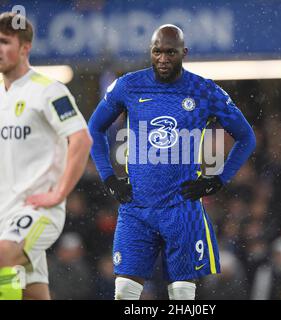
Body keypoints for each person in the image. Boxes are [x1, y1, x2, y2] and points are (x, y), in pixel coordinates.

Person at [89, 24, 256, 300]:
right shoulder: (128, 86)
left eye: (170, 52)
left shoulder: (204, 91)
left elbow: (246, 137)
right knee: (124, 293)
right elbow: (93, 129)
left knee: (181, 296)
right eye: (157, 52)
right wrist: (108, 178)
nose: (163, 59)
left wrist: (218, 180)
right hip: (137, 208)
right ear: (150, 51)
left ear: (184, 53)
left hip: (182, 209)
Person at [0, 12, 92, 300]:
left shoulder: (48, 90)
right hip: (5, 213)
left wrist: (59, 194)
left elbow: (81, 139)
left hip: (38, 210)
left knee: (4, 256)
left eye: (4, 42)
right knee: (33, 294)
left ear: (25, 48)